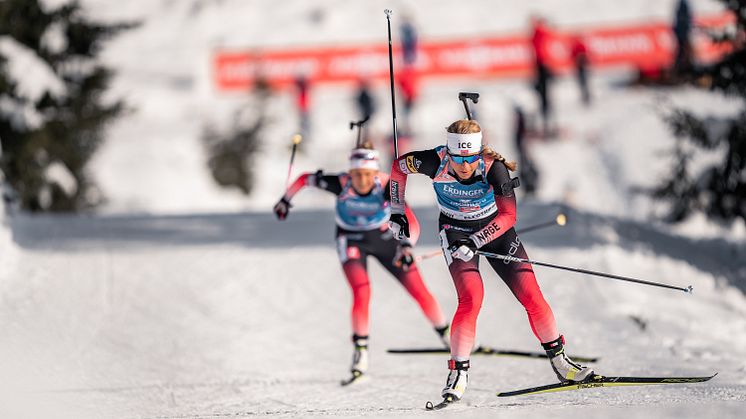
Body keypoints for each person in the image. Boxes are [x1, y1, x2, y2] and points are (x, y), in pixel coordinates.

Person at [388, 119, 593, 403]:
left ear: (478, 152)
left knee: (532, 296)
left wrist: (475, 242)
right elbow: (399, 166)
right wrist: (397, 210)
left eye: (469, 158)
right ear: (448, 152)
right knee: (471, 298)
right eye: (457, 158)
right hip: (454, 230)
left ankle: (560, 362)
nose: (463, 165)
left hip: (496, 232)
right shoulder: (433, 161)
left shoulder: (493, 167)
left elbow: (509, 216)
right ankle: (458, 372)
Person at [273, 142, 449, 383]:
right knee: (362, 291)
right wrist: (285, 200)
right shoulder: (341, 183)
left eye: (367, 174)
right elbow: (304, 179)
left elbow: (410, 220)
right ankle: (360, 352)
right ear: (350, 173)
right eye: (357, 174)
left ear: (375, 173)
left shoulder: (387, 185)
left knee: (418, 289)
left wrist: (407, 247)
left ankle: (447, 336)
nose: (362, 180)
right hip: (351, 238)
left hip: (386, 238)